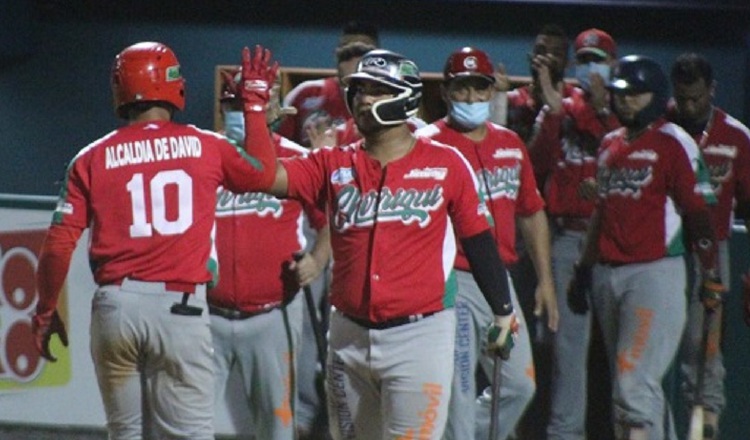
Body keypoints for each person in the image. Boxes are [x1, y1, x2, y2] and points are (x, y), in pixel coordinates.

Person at [260, 48, 520, 439]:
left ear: (406, 96)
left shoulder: (447, 163)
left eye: (377, 90)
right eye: (360, 89)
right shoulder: (333, 162)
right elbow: (261, 178)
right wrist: (256, 121)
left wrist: (503, 311)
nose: (364, 98)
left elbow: (480, 242)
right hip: (347, 334)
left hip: (419, 336)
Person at [30, 42, 278, 439]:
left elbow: (59, 244)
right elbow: (265, 174)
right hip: (180, 310)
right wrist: (254, 105)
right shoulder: (205, 145)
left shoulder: (90, 157)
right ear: (175, 87)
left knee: (124, 434)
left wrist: (44, 312)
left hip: (116, 307)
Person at [568, 55, 724, 440]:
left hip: (654, 273)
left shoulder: (674, 141)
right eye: (621, 94)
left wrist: (710, 273)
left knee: (632, 381)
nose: (625, 102)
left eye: (635, 95)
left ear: (655, 96)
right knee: (634, 390)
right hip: (608, 270)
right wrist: (583, 270)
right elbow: (601, 213)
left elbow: (698, 215)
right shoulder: (609, 144)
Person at [415, 46, 558, 440]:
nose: (472, 99)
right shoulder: (426, 143)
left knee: (519, 385)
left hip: (500, 280)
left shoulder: (511, 144)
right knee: (459, 395)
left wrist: (545, 280)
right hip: (451, 282)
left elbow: (530, 211)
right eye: (462, 90)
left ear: (492, 91)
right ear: (445, 92)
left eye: (480, 90)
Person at [210, 68, 331, 439]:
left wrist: (317, 260)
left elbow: (331, 220)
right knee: (187, 425)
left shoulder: (296, 158)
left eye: (251, 104)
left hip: (274, 313)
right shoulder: (203, 155)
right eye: (233, 103)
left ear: (274, 108)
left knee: (276, 427)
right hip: (205, 316)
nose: (243, 113)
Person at [528, 28, 621, 440]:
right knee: (566, 354)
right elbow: (536, 167)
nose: (589, 68)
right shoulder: (558, 107)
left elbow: (625, 155)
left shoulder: (628, 108)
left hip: (618, 246)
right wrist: (552, 112)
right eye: (582, 60)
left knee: (627, 358)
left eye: (596, 59)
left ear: (613, 64)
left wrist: (600, 113)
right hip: (568, 239)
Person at [667, 52, 750, 439]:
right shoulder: (661, 127)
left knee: (705, 348)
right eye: (682, 98)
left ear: (712, 91)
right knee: (660, 345)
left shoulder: (736, 136)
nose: (689, 106)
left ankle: (705, 424)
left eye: (697, 98)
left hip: (712, 250)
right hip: (661, 250)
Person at [277, 21, 379, 148]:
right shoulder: (305, 93)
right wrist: (314, 155)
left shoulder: (387, 101)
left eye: (362, 50)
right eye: (346, 50)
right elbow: (278, 148)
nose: (353, 55)